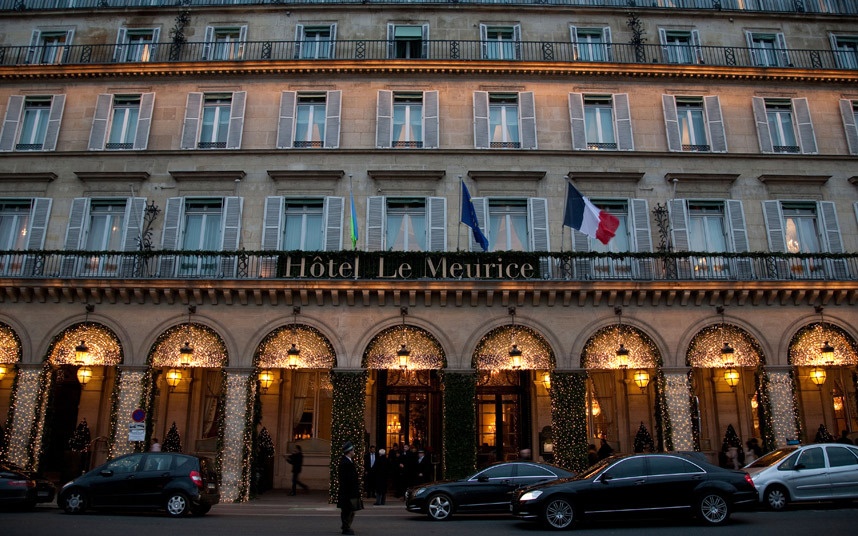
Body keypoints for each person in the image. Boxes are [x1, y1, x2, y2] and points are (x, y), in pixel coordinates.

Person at [337, 441, 361, 535]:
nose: (354, 451)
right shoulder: (345, 463)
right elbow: (345, 479)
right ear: (349, 451)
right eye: (352, 450)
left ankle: (346, 525)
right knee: (347, 510)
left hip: (351, 491)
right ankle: (346, 527)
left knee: (351, 510)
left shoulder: (349, 461)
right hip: (348, 491)